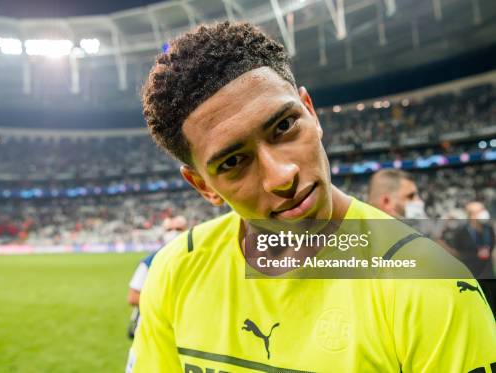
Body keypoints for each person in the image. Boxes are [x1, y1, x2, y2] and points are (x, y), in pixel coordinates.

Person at [127, 22, 495, 372]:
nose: (282, 175)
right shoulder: (175, 271)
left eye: (284, 126)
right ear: (203, 186)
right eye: (234, 161)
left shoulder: (430, 282)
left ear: (310, 111)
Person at [127, 215, 187, 338]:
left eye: (178, 229)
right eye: (169, 230)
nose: (174, 232)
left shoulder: (196, 259)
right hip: (152, 331)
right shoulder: (150, 261)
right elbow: (133, 297)